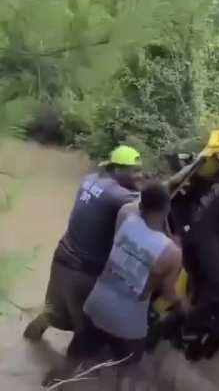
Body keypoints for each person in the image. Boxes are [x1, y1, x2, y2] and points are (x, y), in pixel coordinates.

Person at [23, 145, 145, 349]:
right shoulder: (119, 196)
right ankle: (61, 378)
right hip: (84, 272)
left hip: (62, 258)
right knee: (87, 333)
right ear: (117, 169)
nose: (140, 175)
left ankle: (30, 339)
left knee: (53, 308)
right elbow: (154, 201)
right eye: (135, 171)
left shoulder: (88, 180)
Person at [79, 181, 185, 363]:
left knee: (74, 357)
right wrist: (183, 305)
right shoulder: (172, 253)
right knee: (128, 374)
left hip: (97, 303)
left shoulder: (125, 215)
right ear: (167, 208)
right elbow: (168, 293)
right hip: (128, 320)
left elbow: (139, 204)